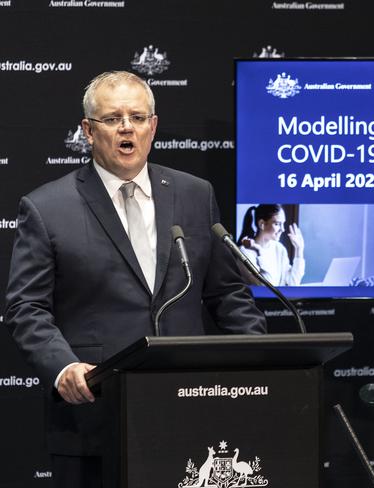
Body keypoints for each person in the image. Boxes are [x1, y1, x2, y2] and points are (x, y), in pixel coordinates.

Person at [4, 71, 266, 488]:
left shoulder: (195, 194)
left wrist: (264, 363)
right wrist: (64, 366)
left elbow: (228, 294)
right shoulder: (47, 208)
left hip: (191, 409)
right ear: (88, 131)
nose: (127, 127)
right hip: (96, 414)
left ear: (153, 127)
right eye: (112, 119)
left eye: (137, 117)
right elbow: (26, 307)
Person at [237, 204, 305, 286]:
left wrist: (299, 249)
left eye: (283, 224)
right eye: (277, 224)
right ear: (262, 224)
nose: (283, 229)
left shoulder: (279, 248)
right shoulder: (245, 253)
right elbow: (267, 288)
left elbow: (292, 283)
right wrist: (259, 251)